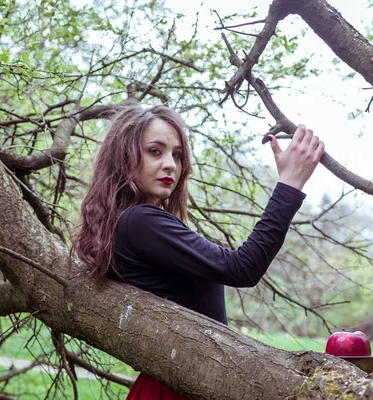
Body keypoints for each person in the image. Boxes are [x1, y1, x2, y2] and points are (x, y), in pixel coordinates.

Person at [72, 105, 324, 399]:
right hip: (176, 387)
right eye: (156, 151)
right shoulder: (139, 221)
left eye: (177, 155)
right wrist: (290, 184)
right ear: (124, 157)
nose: (170, 165)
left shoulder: (129, 223)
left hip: (179, 381)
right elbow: (242, 267)